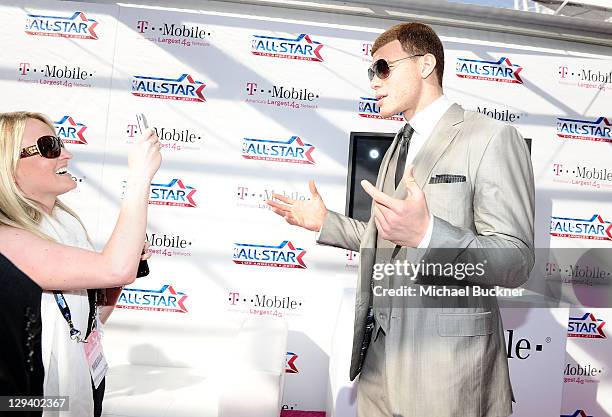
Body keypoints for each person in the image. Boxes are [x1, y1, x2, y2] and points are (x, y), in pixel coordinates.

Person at [268, 23, 535, 417]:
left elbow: (516, 260)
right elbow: (390, 239)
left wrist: (429, 234)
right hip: (378, 362)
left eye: (383, 67)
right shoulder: (399, 143)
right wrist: (324, 222)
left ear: (426, 64)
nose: (374, 81)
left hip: (446, 369)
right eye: (370, 72)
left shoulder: (492, 137)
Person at [0, 111, 161, 417]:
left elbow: (91, 319)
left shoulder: (64, 224)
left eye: (60, 142)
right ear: (8, 166)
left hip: (84, 381)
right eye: (49, 147)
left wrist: (115, 280)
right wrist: (140, 176)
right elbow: (115, 267)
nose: (67, 153)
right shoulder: (6, 239)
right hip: (32, 398)